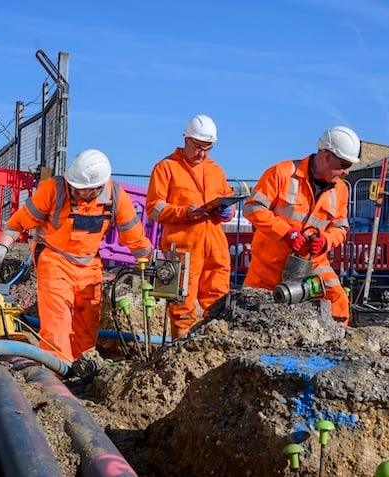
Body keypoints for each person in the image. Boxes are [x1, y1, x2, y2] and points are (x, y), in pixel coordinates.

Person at [0, 149, 153, 362]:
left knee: (88, 321)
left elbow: (135, 237)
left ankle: (82, 368)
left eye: (82, 190)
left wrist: (149, 264)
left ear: (99, 187)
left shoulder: (115, 197)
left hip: (89, 263)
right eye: (74, 187)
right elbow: (19, 222)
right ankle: (55, 374)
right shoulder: (54, 189)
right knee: (58, 320)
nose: (76, 192)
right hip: (53, 258)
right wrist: (2, 246)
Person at [242, 125, 361, 326]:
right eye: (343, 164)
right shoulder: (282, 173)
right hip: (268, 266)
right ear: (326, 155)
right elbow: (253, 208)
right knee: (252, 311)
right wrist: (285, 232)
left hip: (312, 265)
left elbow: (340, 228)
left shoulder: (340, 190)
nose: (346, 172)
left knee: (337, 300)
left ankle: (334, 348)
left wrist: (326, 241)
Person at [146, 114, 235, 339]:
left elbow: (228, 200)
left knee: (218, 303)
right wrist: (186, 212)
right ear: (186, 140)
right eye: (198, 147)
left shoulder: (215, 170)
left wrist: (228, 211)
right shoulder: (166, 168)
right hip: (183, 249)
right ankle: (180, 350)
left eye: (208, 148)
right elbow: (154, 208)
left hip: (215, 248)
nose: (202, 153)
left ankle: (212, 349)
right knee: (181, 306)